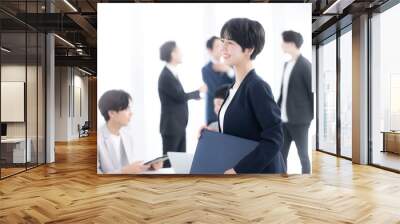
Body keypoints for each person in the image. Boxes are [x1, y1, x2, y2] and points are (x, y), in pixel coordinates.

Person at [217, 18, 286, 174]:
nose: (223, 48)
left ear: (249, 49)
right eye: (223, 41)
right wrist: (211, 132)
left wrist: (240, 170)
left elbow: (275, 138)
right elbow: (241, 129)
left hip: (260, 176)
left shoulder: (257, 87)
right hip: (239, 172)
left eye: (230, 43)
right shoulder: (232, 88)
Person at [158, 41, 207, 167]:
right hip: (171, 127)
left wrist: (195, 95)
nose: (182, 54)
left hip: (178, 125)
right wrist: (198, 92)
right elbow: (180, 96)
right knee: (170, 163)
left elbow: (177, 96)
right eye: (179, 51)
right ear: (173, 54)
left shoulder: (172, 73)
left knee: (179, 163)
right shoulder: (166, 76)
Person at [97, 89, 163, 174]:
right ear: (112, 113)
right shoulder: (96, 139)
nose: (131, 113)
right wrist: (124, 171)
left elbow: (127, 168)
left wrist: (149, 167)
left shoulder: (127, 136)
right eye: (126, 109)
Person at [277, 30, 313, 174]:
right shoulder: (286, 65)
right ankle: (282, 182)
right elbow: (283, 92)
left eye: (283, 42)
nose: (281, 45)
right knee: (281, 154)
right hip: (284, 119)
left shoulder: (305, 65)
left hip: (300, 121)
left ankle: (307, 184)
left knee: (303, 155)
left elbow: (312, 94)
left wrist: (309, 118)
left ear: (291, 44)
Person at [202, 36, 234, 125]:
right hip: (213, 114)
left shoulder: (230, 66)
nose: (221, 48)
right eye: (217, 46)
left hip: (230, 112)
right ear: (210, 50)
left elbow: (237, 85)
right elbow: (215, 90)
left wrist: (228, 70)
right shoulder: (206, 69)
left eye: (221, 45)